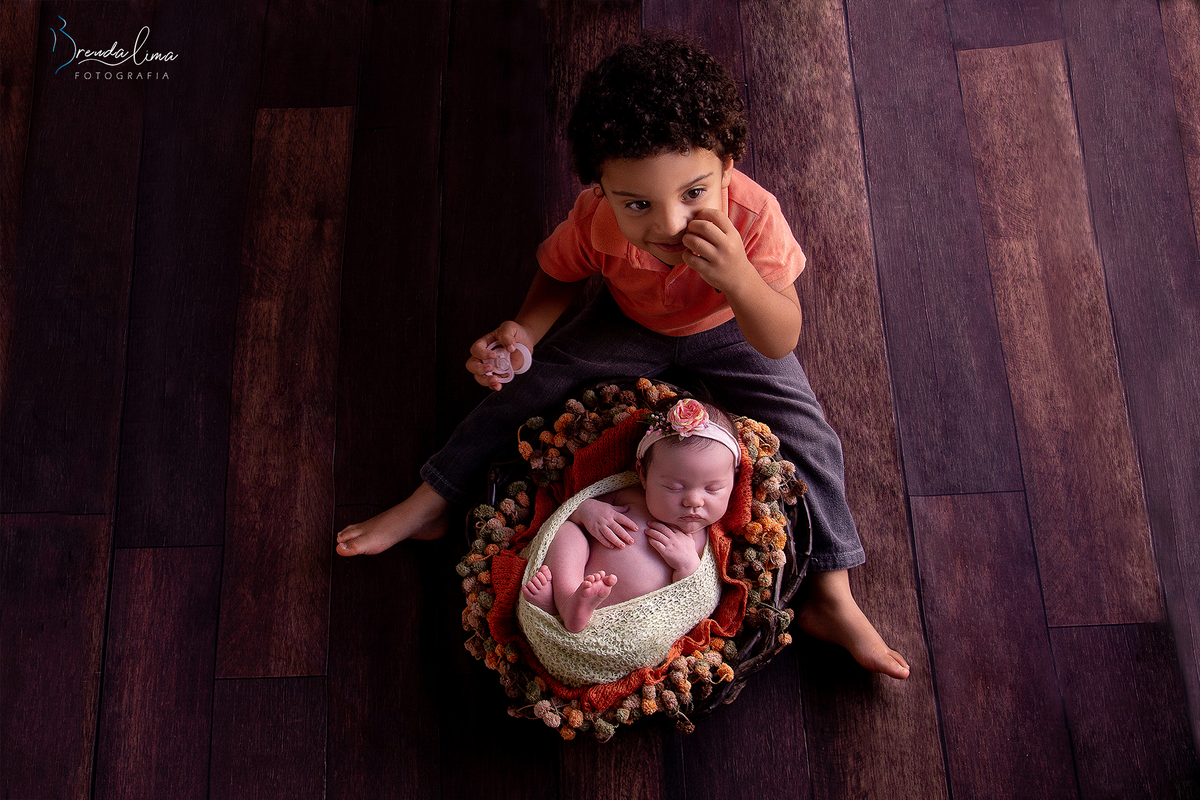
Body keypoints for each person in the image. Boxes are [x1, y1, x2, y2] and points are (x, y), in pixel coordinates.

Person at [337, 33, 909, 680]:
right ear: (602, 190)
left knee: (811, 435)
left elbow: (779, 337)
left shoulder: (753, 217)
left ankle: (831, 594)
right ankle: (433, 499)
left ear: (726, 168)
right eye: (638, 203)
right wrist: (524, 334)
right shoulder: (596, 219)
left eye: (694, 193)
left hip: (732, 329)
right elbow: (558, 275)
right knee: (532, 387)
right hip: (628, 322)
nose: (668, 224)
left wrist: (739, 279)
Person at [515, 398, 734, 686]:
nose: (694, 501)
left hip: (629, 628)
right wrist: (588, 511)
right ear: (643, 474)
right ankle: (564, 601)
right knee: (567, 531)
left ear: (733, 480)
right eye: (674, 487)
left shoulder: (703, 542)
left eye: (713, 488)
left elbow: (695, 598)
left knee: (647, 640)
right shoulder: (628, 493)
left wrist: (687, 566)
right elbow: (571, 510)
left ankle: (565, 610)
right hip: (579, 585)